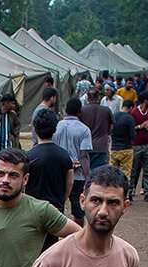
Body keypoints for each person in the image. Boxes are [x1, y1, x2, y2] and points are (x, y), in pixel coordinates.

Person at [25, 108, 73, 247]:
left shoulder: (28, 157)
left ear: (34, 129)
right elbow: (69, 182)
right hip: (56, 209)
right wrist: (61, 199)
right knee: (51, 248)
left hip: (33, 210)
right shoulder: (64, 156)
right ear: (54, 129)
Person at [53, 97, 93, 225]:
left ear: (66, 110)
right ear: (79, 112)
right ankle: (78, 235)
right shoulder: (84, 129)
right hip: (78, 176)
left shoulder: (56, 127)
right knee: (78, 210)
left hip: (58, 173)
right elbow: (84, 155)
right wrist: (88, 177)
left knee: (56, 207)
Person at [129, 91, 148, 202]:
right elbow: (131, 128)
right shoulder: (134, 113)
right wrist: (141, 126)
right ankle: (130, 191)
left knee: (147, 169)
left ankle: (147, 192)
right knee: (133, 170)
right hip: (136, 144)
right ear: (145, 100)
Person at [79, 87, 112, 170]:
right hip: (101, 147)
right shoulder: (106, 111)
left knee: (85, 172)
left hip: (85, 146)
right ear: (98, 97)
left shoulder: (82, 110)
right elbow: (111, 127)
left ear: (88, 98)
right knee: (98, 174)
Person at [108, 99, 136, 181]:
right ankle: (124, 193)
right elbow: (132, 135)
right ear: (131, 107)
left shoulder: (114, 116)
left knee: (112, 173)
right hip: (126, 148)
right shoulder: (130, 118)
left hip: (114, 148)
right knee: (126, 174)